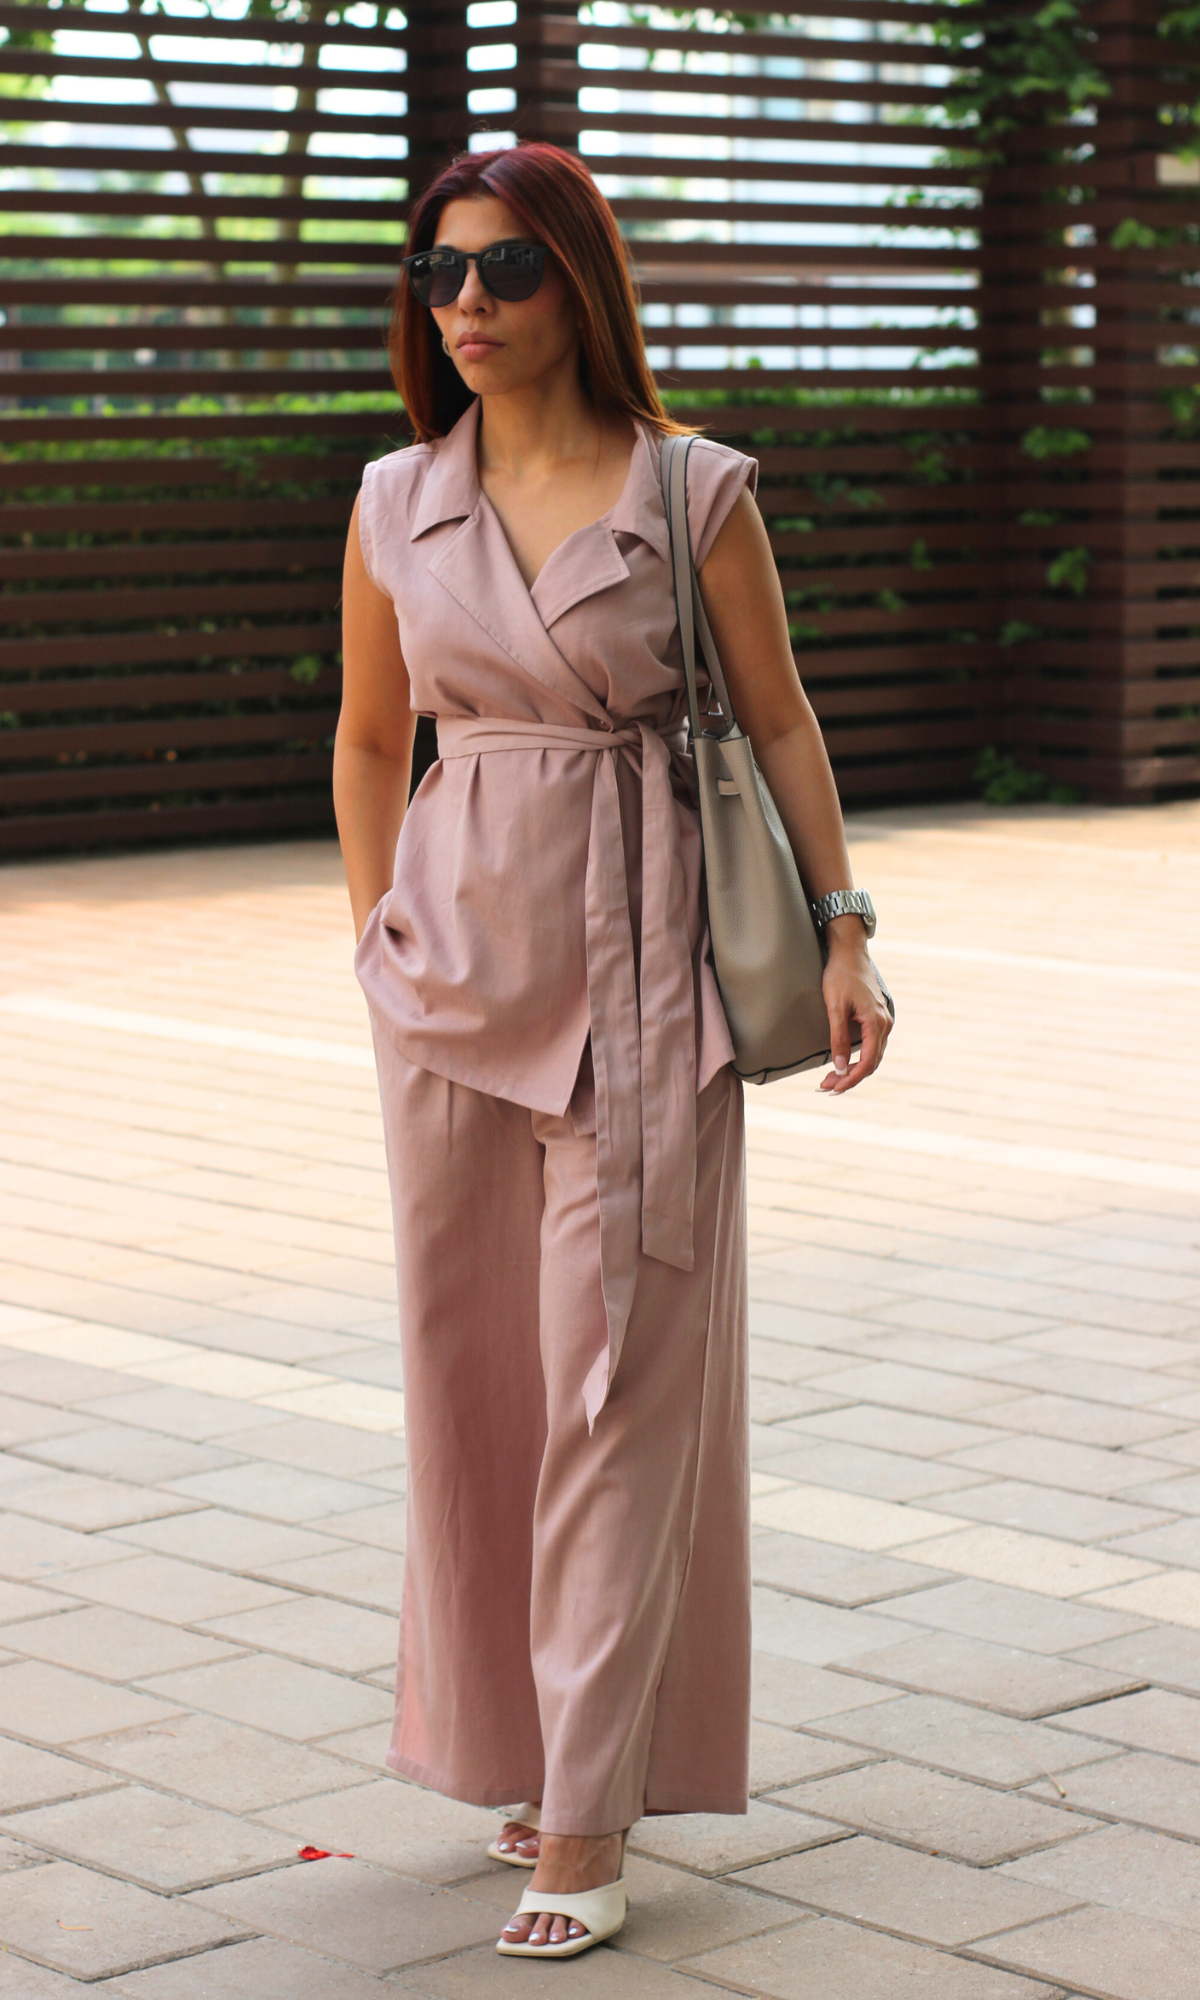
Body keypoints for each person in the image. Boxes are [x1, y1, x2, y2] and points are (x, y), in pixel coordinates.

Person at [335, 141, 891, 1962]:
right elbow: (366, 740)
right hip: (451, 986)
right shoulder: (392, 500)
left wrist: (846, 927)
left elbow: (786, 721)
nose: (468, 309)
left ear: (581, 280)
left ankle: (587, 1811)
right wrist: (376, 936)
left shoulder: (694, 489)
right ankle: (526, 1748)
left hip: (651, 978)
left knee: (622, 1388)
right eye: (440, 278)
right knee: (480, 1383)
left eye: (504, 272)